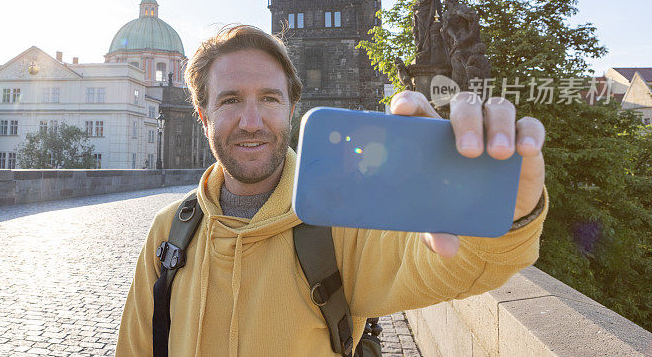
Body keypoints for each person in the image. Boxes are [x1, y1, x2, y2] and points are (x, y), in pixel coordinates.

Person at [116, 25, 547, 356]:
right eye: (230, 100)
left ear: (290, 108)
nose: (251, 121)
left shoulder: (341, 219)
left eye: (269, 98)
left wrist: (499, 211)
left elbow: (441, 265)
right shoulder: (169, 232)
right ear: (203, 115)